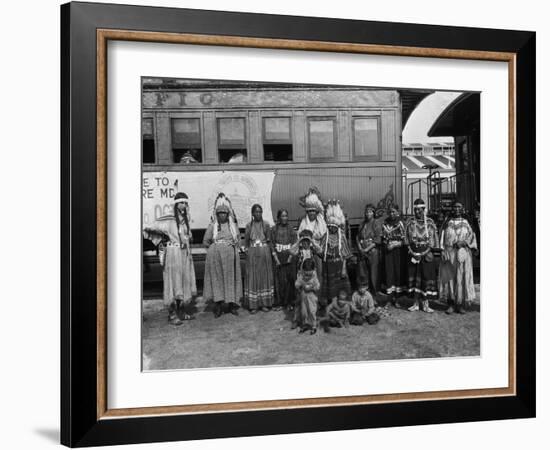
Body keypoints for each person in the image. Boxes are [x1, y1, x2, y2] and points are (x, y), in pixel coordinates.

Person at [143, 192, 197, 325]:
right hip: (173, 254)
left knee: (183, 282)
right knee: (173, 282)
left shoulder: (185, 220)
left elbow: (188, 236)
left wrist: (188, 237)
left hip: (184, 254)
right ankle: (172, 314)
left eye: (185, 203)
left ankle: (182, 312)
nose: (184, 205)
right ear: (176, 204)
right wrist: (162, 239)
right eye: (181, 203)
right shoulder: (169, 219)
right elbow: (151, 226)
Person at [203, 193, 242, 318]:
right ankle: (218, 306)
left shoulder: (233, 227)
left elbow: (238, 240)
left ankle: (231, 305)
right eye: (220, 214)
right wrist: (214, 249)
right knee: (217, 280)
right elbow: (206, 241)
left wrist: (232, 247)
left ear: (228, 214)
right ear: (217, 215)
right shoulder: (212, 227)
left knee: (230, 280)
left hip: (230, 259)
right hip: (216, 258)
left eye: (224, 213)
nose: (222, 216)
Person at [440, 201, 478, 314]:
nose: (457, 209)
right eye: (455, 207)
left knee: (461, 278)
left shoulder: (466, 222)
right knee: (449, 278)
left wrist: (464, 242)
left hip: (462, 254)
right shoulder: (447, 222)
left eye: (459, 207)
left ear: (462, 209)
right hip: (449, 253)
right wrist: (442, 250)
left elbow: (472, 237)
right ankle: (451, 303)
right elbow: (441, 237)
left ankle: (460, 304)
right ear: (452, 209)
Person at [405, 198, 440, 313]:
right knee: (415, 278)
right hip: (413, 255)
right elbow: (406, 240)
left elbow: (434, 240)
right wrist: (413, 253)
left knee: (426, 278)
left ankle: (425, 304)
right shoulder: (410, 222)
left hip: (426, 255)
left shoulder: (430, 222)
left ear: (424, 210)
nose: (417, 212)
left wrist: (423, 253)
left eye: (419, 210)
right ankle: (415, 303)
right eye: (415, 210)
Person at [320, 200, 352, 308]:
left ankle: (343, 305)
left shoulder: (341, 236)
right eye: (329, 226)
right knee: (330, 288)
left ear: (337, 226)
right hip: (328, 266)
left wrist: (344, 268)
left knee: (341, 288)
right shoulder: (325, 236)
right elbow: (321, 251)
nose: (331, 228)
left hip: (339, 265)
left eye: (333, 226)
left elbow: (345, 255)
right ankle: (331, 307)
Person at [243, 204, 274, 314]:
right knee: (253, 277)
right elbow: (246, 241)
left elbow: (269, 241)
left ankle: (265, 303)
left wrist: (271, 254)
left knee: (264, 277)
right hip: (252, 253)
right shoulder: (248, 226)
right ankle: (253, 305)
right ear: (252, 213)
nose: (258, 214)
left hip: (264, 252)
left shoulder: (266, 225)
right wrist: (248, 252)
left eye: (260, 212)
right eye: (256, 212)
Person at [298, 188, 327, 281]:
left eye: (313, 211)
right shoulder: (303, 222)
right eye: (310, 211)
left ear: (316, 212)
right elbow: (300, 236)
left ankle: (317, 293)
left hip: (318, 252)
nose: (311, 213)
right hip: (307, 251)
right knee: (306, 273)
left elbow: (324, 237)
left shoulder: (321, 222)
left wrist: (319, 249)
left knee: (318, 273)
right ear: (307, 212)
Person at [271, 209, 298, 311]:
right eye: (282, 216)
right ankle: (280, 302)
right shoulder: (273, 229)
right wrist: (276, 258)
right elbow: (272, 244)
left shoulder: (291, 229)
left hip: (289, 258)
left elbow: (295, 244)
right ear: (278, 218)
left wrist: (290, 257)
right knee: (279, 281)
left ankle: (290, 302)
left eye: (286, 216)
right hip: (278, 258)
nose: (284, 218)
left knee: (289, 280)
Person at [381, 205, 406, 308]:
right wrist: (386, 244)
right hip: (388, 252)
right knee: (389, 273)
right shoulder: (385, 223)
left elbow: (405, 240)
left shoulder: (400, 223)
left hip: (398, 253)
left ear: (397, 212)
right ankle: (389, 298)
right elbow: (383, 237)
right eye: (390, 212)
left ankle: (397, 299)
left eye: (394, 212)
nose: (392, 214)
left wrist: (395, 244)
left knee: (398, 273)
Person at [356, 204, 382, 294]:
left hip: (372, 251)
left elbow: (378, 239)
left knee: (373, 272)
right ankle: (364, 292)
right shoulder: (362, 224)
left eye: (370, 212)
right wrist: (359, 247)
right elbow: (358, 237)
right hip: (362, 252)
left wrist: (367, 249)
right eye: (366, 212)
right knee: (363, 272)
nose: (368, 214)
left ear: (373, 213)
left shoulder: (376, 223)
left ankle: (374, 292)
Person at [294, 258, 320, 335]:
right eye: (306, 273)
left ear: (313, 270)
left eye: (309, 274)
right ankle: (305, 324)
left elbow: (318, 286)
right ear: (303, 270)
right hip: (304, 297)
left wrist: (312, 288)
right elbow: (296, 284)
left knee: (312, 311)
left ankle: (313, 326)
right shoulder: (301, 276)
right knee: (304, 312)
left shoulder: (314, 276)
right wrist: (301, 284)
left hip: (312, 297)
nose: (308, 275)